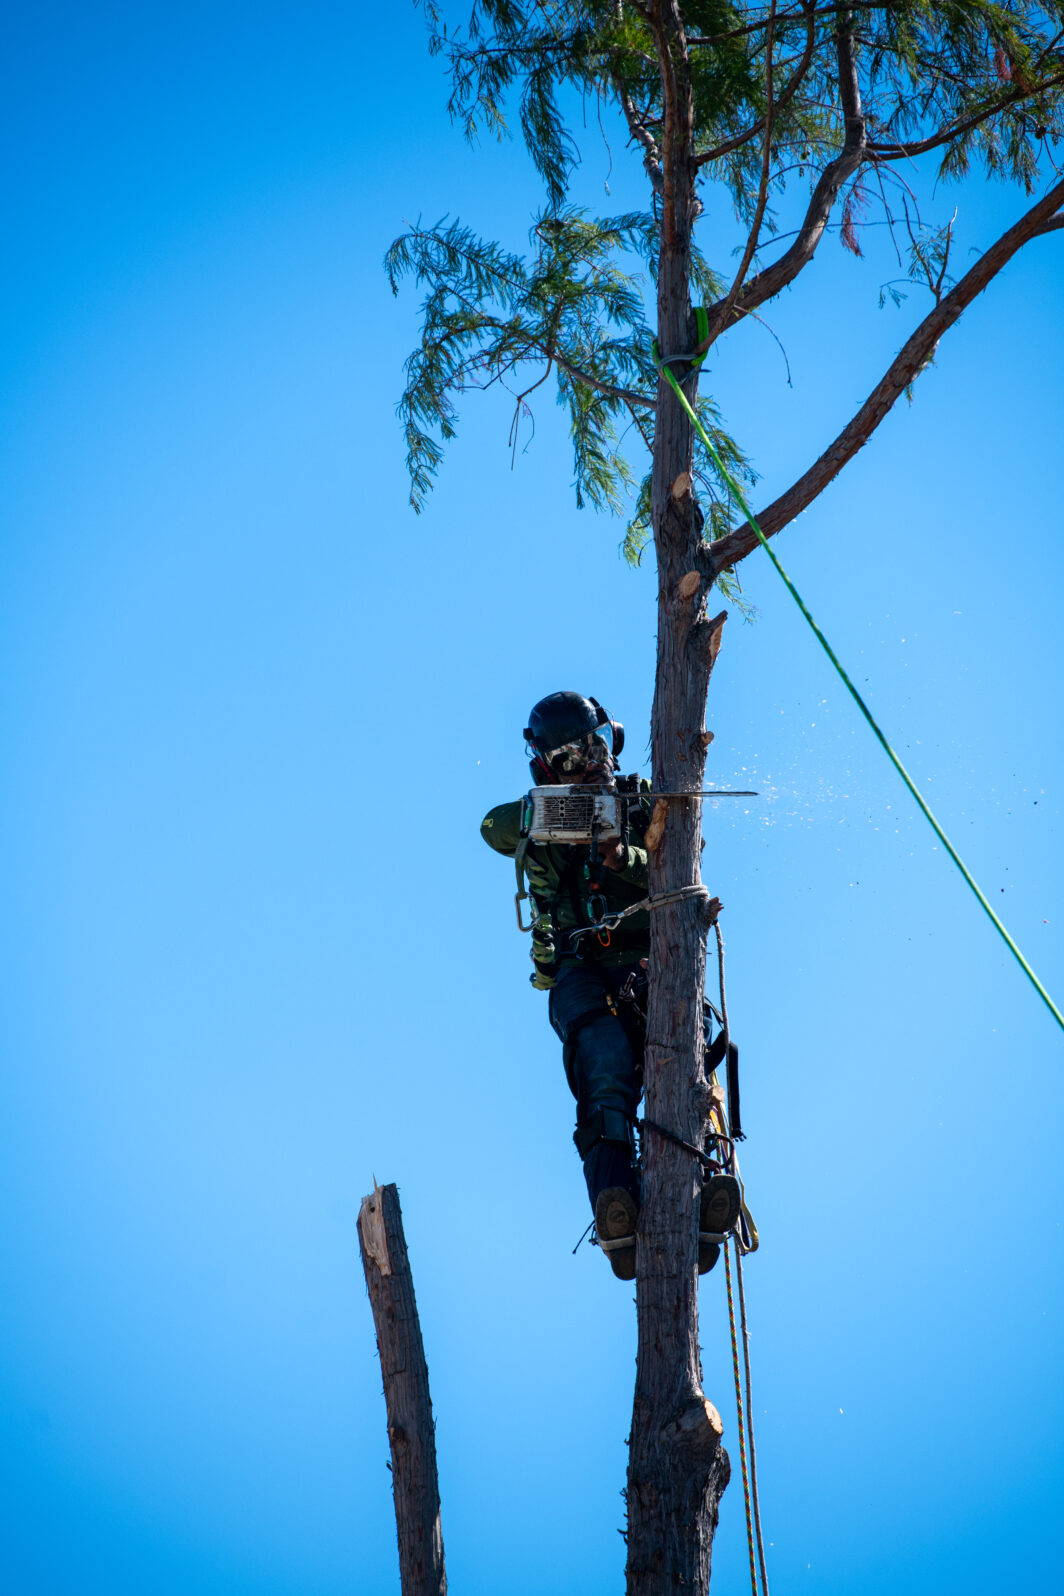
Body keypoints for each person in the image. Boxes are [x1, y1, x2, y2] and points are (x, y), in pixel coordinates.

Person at [480, 691, 738, 1280]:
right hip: (581, 971)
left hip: (656, 962)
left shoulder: (647, 803)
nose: (590, 764)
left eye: (596, 748)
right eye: (571, 758)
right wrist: (572, 816)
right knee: (603, 1062)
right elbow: (493, 826)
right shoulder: (540, 816)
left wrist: (620, 852)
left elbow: (677, 874)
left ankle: (707, 1186)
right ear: (547, 767)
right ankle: (615, 1206)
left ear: (612, 742)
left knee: (689, 1054)